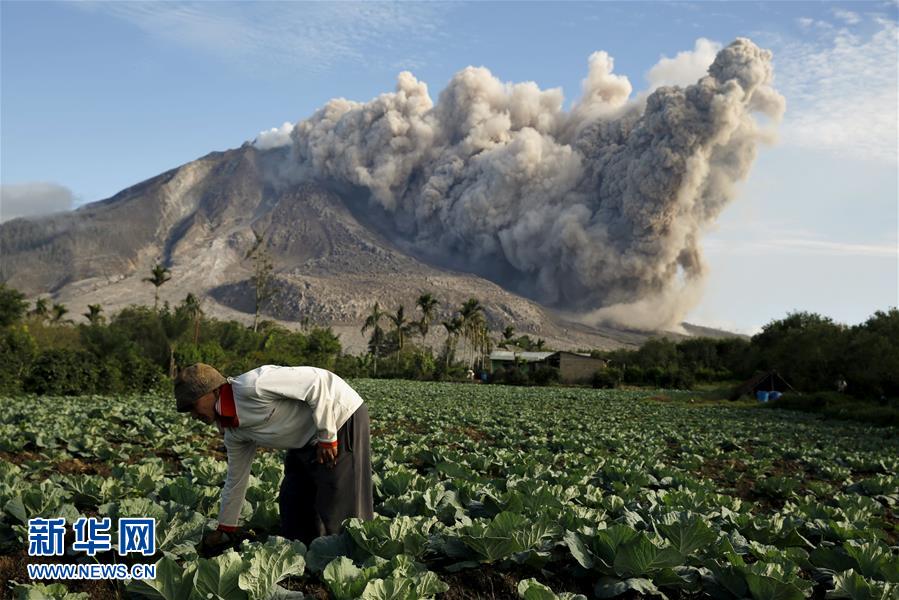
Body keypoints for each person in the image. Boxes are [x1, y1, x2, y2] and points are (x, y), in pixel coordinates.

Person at [174, 363, 373, 547]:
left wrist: (327, 436)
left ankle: (351, 557)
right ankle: (308, 555)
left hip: (339, 417)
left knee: (338, 497)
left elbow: (318, 383)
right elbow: (236, 479)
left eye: (193, 404)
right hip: (303, 437)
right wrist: (225, 527)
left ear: (214, 390)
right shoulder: (234, 433)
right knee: (293, 498)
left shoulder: (253, 385)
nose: (193, 414)